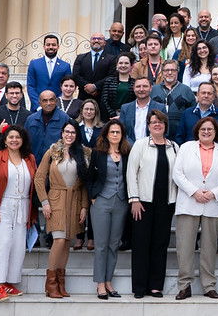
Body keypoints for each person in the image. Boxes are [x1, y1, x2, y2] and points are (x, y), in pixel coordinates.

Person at [172, 117, 218, 300]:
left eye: (210, 129)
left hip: (213, 204)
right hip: (189, 202)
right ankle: (184, 285)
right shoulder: (185, 148)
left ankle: (208, 285)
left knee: (209, 246)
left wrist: (214, 193)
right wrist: (195, 192)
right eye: (203, 129)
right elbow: (178, 173)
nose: (206, 132)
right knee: (184, 247)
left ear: (216, 132)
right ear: (197, 131)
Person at [0, 125, 37, 301]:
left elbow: (34, 184)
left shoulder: (29, 158)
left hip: (23, 205)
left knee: (17, 246)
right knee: (1, 245)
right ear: (5, 140)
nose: (14, 140)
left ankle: (10, 283)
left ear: (22, 140)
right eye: (11, 137)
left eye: (17, 137)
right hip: (2, 205)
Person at [34, 120, 90, 298]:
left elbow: (84, 185)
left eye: (73, 132)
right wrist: (44, 202)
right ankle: (50, 283)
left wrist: (84, 207)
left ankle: (60, 281)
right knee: (58, 240)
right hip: (56, 200)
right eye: (67, 131)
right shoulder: (52, 151)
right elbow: (39, 178)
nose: (69, 135)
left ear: (77, 134)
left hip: (74, 200)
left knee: (67, 241)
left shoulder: (83, 153)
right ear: (62, 132)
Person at [126, 110, 178, 299]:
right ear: (148, 126)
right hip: (143, 203)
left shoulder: (174, 147)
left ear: (165, 125)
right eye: (153, 122)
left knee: (160, 244)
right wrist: (134, 199)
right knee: (141, 244)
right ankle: (139, 287)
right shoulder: (140, 145)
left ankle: (156, 286)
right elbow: (131, 173)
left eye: (161, 122)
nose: (157, 125)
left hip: (166, 204)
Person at [86, 119, 131, 300]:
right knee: (101, 244)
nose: (114, 135)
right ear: (106, 134)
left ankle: (109, 280)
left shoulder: (127, 153)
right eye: (111, 132)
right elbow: (89, 178)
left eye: (118, 132)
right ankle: (100, 283)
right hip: (102, 202)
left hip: (121, 202)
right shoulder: (98, 154)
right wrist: (92, 197)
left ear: (122, 135)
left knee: (114, 244)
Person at [74, 100, 101, 250]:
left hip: (95, 170)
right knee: (79, 203)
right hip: (79, 168)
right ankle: (79, 236)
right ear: (82, 111)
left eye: (92, 109)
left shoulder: (101, 128)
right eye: (86, 109)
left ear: (96, 111)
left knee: (92, 204)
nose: (89, 112)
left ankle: (91, 237)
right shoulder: (76, 127)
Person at [150, 59, 197, 141]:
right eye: (166, 70)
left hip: (180, 135)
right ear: (162, 72)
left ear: (177, 72)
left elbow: (192, 113)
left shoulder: (186, 90)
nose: (170, 73)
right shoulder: (153, 90)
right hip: (156, 135)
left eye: (173, 70)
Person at [176, 82, 218, 149]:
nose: (206, 96)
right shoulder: (187, 114)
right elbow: (180, 138)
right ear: (197, 95)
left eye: (209, 93)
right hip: (191, 155)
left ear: (214, 96)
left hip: (215, 155)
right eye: (203, 93)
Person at [26, 34, 72, 111]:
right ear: (44, 46)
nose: (51, 47)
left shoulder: (65, 66)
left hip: (58, 108)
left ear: (58, 47)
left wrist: (56, 104)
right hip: (37, 109)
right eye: (48, 45)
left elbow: (67, 87)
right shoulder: (34, 64)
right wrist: (39, 105)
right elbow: (31, 86)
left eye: (53, 45)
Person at [0, 82, 31, 153]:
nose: (14, 96)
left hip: (21, 155)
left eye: (17, 93)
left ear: (21, 95)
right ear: (6, 95)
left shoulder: (28, 115)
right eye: (11, 93)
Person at [25, 90, 69, 164]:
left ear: (56, 101)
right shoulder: (31, 119)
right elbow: (24, 141)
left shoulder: (64, 119)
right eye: (45, 101)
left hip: (56, 164)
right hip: (33, 163)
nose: (48, 103)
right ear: (40, 103)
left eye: (51, 100)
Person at [119, 77, 166, 145]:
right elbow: (122, 131)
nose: (141, 89)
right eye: (138, 86)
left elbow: (164, 131)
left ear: (151, 88)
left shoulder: (160, 108)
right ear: (134, 88)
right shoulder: (125, 108)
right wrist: (133, 146)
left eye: (145, 86)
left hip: (152, 148)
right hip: (130, 149)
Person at [73, 33, 117, 102]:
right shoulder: (81, 58)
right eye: (94, 39)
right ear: (90, 42)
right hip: (83, 97)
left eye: (100, 39)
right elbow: (76, 75)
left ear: (105, 43)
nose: (96, 40)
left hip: (103, 98)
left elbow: (111, 76)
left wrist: (95, 86)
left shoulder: (112, 59)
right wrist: (87, 87)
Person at [99, 52, 136, 120]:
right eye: (120, 63)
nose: (123, 65)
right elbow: (104, 100)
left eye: (126, 63)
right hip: (110, 118)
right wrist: (113, 115)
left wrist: (123, 115)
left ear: (131, 66)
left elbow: (135, 102)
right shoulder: (109, 81)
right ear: (117, 65)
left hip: (128, 117)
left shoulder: (135, 83)